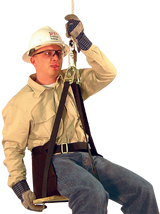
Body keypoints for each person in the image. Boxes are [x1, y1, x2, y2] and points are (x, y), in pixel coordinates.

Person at [1, 13, 159, 214]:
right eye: (47, 53)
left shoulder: (73, 83)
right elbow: (12, 148)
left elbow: (110, 73)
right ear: (32, 61)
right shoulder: (19, 102)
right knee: (92, 192)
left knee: (142, 189)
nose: (55, 58)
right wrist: (20, 187)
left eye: (58, 53)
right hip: (54, 163)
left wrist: (83, 40)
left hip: (89, 157)